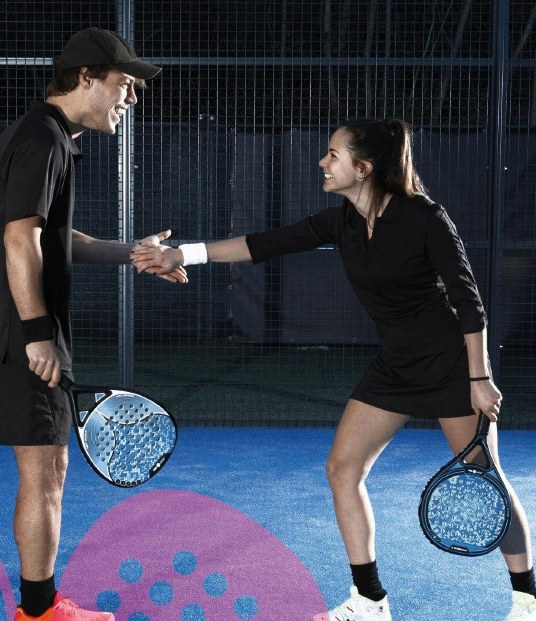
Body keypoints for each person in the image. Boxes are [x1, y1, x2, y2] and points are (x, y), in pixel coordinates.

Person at [131, 117, 535, 621]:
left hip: (451, 365)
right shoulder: (341, 221)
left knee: (486, 479)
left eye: (333, 154)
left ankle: (528, 601)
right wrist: (180, 254)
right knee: (342, 469)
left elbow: (469, 303)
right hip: (395, 366)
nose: (323, 161)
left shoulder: (425, 217)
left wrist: (480, 379)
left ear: (363, 168)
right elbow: (263, 243)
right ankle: (370, 601)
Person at [0, 27, 187, 621]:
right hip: (20, 331)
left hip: (14, 325)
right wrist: (37, 333)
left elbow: (55, 237)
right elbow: (19, 238)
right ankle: (39, 613)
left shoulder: (42, 134)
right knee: (45, 471)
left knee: (44, 468)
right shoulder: (45, 139)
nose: (131, 98)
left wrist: (131, 253)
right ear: (86, 78)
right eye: (124, 84)